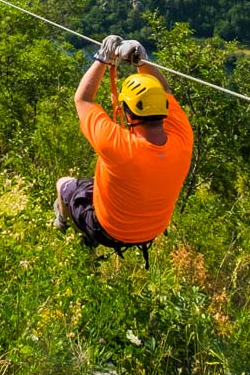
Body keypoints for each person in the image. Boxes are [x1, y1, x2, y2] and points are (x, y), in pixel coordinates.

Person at [54, 34, 193, 266]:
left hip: (108, 229)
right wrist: (143, 62)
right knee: (98, 183)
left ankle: (65, 223)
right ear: (163, 107)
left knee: (64, 184)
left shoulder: (118, 145)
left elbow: (83, 100)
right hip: (152, 230)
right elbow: (166, 90)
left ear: (127, 113)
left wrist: (102, 58)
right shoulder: (183, 136)